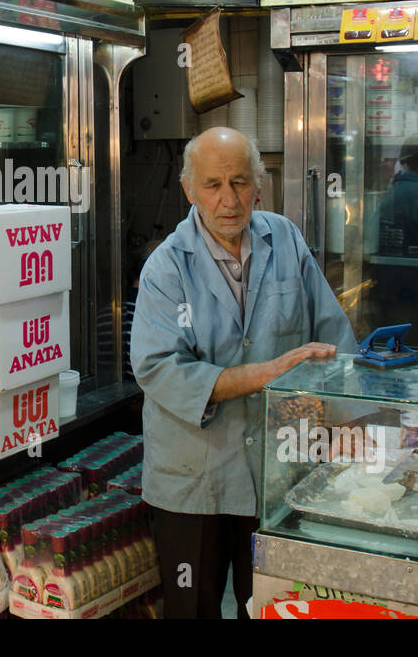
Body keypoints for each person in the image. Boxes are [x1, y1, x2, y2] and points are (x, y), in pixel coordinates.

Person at [130, 127, 357, 618]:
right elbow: (159, 368)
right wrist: (265, 373)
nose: (228, 200)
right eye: (213, 184)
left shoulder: (285, 238)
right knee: (194, 608)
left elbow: (331, 334)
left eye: (240, 182)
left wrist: (350, 421)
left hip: (278, 472)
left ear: (259, 184)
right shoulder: (166, 268)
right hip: (195, 481)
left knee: (279, 606)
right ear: (190, 189)